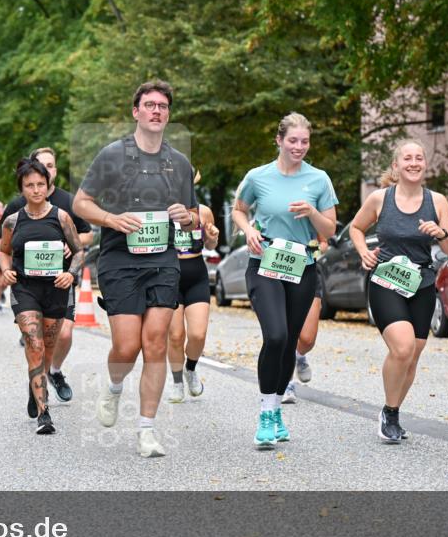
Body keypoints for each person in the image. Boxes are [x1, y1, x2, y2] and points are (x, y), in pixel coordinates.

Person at [73, 80, 199, 458]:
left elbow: (194, 217)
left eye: (162, 106)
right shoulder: (112, 155)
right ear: (136, 111)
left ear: (168, 114)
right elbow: (81, 203)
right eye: (149, 105)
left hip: (162, 260)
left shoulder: (178, 163)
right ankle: (113, 388)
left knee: (156, 342)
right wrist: (111, 219)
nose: (156, 111)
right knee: (127, 347)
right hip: (119, 260)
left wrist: (186, 217)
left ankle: (147, 429)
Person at [231, 112, 337, 449]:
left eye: (304, 141)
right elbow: (238, 209)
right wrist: (248, 230)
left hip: (301, 267)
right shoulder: (258, 177)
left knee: (290, 340)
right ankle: (264, 414)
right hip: (264, 263)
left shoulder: (319, 179)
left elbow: (330, 230)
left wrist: (313, 213)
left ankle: (277, 411)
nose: (299, 147)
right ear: (279, 140)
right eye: (293, 140)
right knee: (275, 335)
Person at [349, 140, 448, 443]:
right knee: (402, 347)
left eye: (419, 158)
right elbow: (356, 228)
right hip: (385, 279)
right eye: (407, 158)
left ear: (425, 165)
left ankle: (391, 412)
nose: (413, 163)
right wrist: (363, 252)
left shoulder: (437, 202)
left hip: (421, 283)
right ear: (396, 166)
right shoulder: (379, 199)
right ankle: (390, 412)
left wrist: (442, 233)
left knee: (412, 356)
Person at [0, 158, 85, 435]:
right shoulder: (13, 220)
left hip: (56, 289)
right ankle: (44, 414)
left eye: (40, 184)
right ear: (22, 189)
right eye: (29, 185)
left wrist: (71, 273)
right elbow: (3, 251)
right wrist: (5, 272)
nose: (35, 190)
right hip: (25, 288)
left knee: (47, 349)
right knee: (34, 343)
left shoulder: (61, 217)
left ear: (48, 187)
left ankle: (35, 386)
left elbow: (79, 251)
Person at [166, 186, 220, 403]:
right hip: (170, 276)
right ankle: (177, 382)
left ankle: (191, 369)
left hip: (196, 274)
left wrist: (212, 237)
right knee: (176, 336)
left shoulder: (203, 211)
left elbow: (210, 244)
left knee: (197, 335)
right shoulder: (162, 211)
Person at [281, 236, 329, 404]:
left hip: (307, 274)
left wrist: (312, 251)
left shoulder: (311, 211)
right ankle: (286, 384)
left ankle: (299, 356)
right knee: (284, 334)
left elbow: (324, 243)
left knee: (308, 339)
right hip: (279, 271)